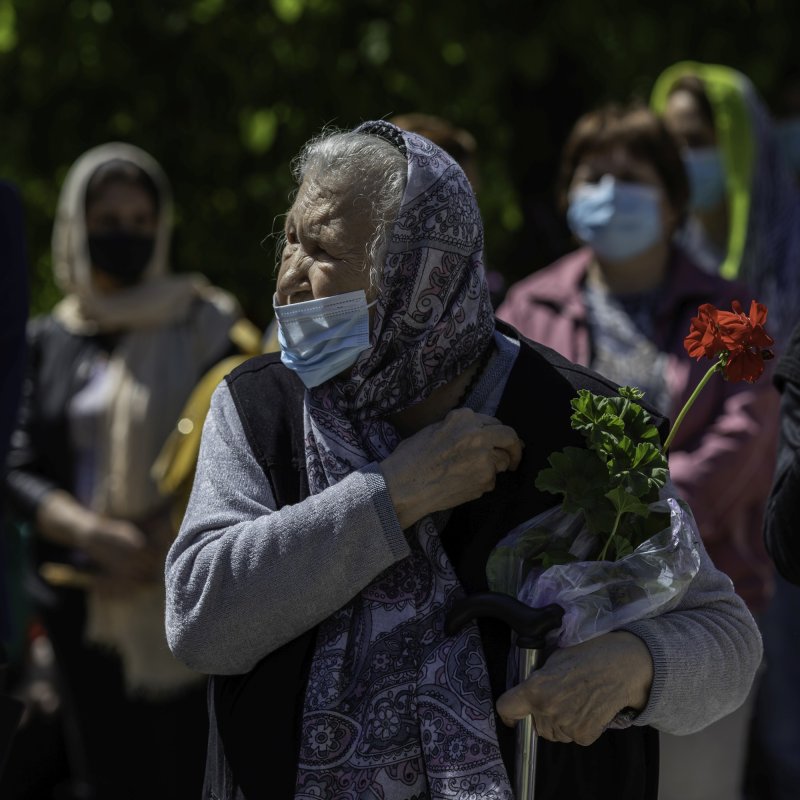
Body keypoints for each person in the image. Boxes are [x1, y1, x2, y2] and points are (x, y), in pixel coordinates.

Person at [166, 120, 761, 800]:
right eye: (290, 240)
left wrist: (635, 665)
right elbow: (199, 621)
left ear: (421, 276)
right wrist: (390, 495)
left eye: (323, 249)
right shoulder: (258, 409)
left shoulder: (581, 429)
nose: (291, 278)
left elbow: (726, 638)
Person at [495, 104, 777, 800]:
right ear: (567, 197)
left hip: (697, 607)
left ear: (675, 202)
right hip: (565, 616)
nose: (611, 191)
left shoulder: (726, 305)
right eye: (595, 176)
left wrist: (640, 514)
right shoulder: (529, 304)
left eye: (633, 176)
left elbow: (744, 438)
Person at [4, 143, 246, 799]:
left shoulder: (207, 323)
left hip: (187, 587)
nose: (126, 236)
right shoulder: (48, 338)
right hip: (82, 594)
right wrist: (94, 535)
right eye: (108, 221)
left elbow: (238, 440)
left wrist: (163, 536)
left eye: (141, 221)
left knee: (192, 770)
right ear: (76, 228)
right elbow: (18, 464)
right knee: (107, 774)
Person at [651, 61, 800, 347]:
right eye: (671, 144)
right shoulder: (665, 251)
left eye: (696, 141)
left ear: (741, 147)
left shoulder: (791, 245)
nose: (681, 159)